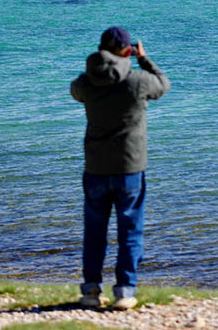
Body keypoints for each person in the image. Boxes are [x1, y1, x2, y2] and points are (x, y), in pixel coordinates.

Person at [70, 26, 170, 310]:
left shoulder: (87, 83)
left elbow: (74, 90)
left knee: (94, 232)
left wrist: (95, 66)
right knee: (130, 232)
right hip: (130, 168)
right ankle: (124, 292)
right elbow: (163, 83)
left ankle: (91, 290)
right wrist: (144, 59)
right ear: (128, 51)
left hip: (96, 167)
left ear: (101, 50)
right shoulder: (138, 81)